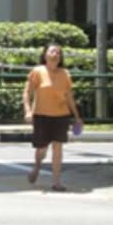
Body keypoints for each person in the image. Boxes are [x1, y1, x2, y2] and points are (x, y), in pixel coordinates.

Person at [22, 43, 83, 191]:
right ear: (45, 55)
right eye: (52, 51)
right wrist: (28, 111)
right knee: (42, 149)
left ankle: (56, 182)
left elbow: (69, 96)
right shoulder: (37, 71)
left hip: (61, 116)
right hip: (42, 115)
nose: (56, 54)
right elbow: (27, 93)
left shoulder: (65, 74)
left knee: (58, 147)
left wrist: (77, 116)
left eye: (58, 52)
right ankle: (37, 166)